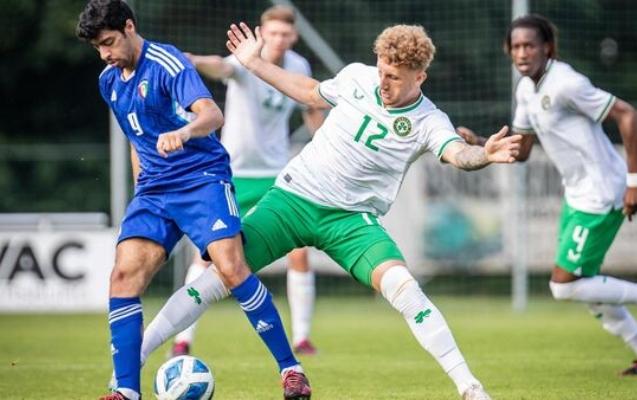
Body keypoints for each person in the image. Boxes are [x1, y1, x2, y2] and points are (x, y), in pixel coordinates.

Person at [141, 22, 523, 399]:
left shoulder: (429, 120)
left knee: (406, 291)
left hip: (350, 220)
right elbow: (309, 92)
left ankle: (471, 389)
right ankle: (133, 361)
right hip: (293, 200)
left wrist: (484, 155)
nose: (383, 82)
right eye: (381, 70)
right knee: (218, 275)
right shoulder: (357, 77)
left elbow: (458, 153)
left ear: (419, 76)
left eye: (394, 77)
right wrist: (254, 63)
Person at [75, 1, 311, 399]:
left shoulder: (166, 62)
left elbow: (212, 115)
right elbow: (136, 138)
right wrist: (141, 189)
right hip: (153, 190)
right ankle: (127, 391)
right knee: (123, 277)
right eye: (97, 47)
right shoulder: (109, 81)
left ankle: (291, 369)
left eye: (109, 42)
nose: (104, 54)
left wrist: (184, 133)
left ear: (129, 27)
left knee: (231, 267)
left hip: (200, 179)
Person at [457, 14, 637, 375]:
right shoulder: (526, 90)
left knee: (564, 286)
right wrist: (479, 142)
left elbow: (628, 114)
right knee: (587, 287)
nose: (522, 53)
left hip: (602, 193)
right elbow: (523, 151)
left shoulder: (567, 83)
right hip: (577, 194)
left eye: (529, 45)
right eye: (516, 46)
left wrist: (634, 182)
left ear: (547, 48)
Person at [171, 5, 325, 358]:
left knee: (300, 251)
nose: (279, 39)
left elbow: (311, 106)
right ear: (262, 33)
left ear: (293, 36)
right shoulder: (246, 58)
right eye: (273, 33)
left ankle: (302, 338)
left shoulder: (299, 66)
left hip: (277, 174)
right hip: (234, 173)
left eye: (285, 33)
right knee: (208, 256)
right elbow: (222, 67)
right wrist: (194, 60)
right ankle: (183, 339)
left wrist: (325, 140)